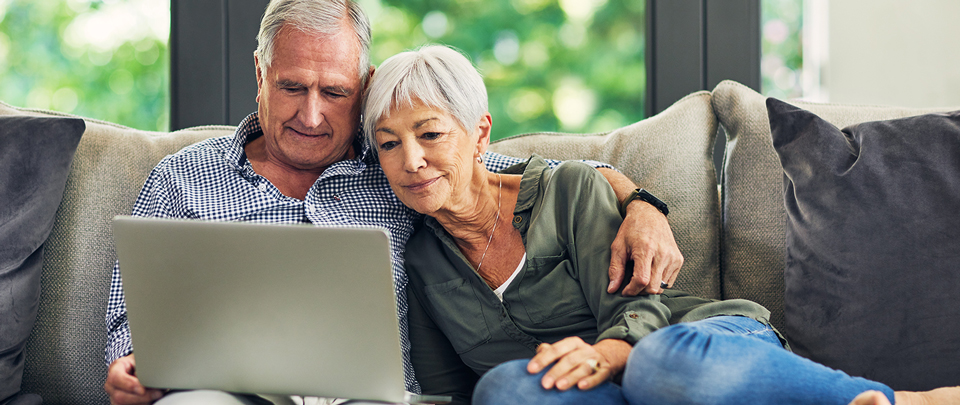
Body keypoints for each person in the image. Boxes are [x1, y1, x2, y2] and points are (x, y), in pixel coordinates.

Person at [102, 1, 683, 404]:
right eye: (291, 87)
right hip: (224, 391)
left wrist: (641, 203)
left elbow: (524, 177)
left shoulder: (399, 166)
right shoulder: (184, 177)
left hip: (373, 394)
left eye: (334, 92)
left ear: (365, 85)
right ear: (260, 72)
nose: (311, 115)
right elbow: (135, 310)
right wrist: (132, 369)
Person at [362, 44, 960, 405]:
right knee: (506, 392)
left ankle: (894, 401)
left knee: (661, 364)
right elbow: (451, 393)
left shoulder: (567, 189)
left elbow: (641, 308)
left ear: (480, 133)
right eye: (389, 145)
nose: (410, 161)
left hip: (690, 345)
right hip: (591, 394)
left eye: (431, 134)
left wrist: (612, 354)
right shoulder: (419, 259)